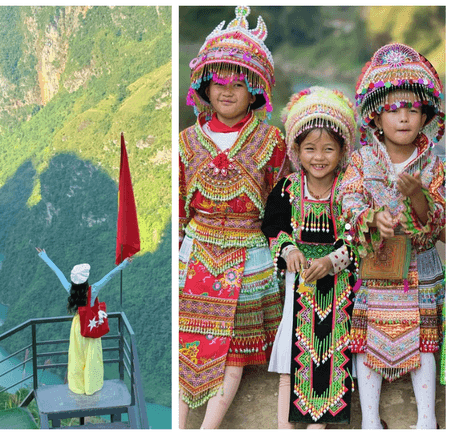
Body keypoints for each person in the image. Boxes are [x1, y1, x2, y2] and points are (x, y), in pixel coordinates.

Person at [178, 6, 288, 429]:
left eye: (238, 83)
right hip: (196, 254)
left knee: (234, 352)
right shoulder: (187, 141)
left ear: (255, 89)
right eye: (219, 82)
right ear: (204, 86)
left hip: (249, 257)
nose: (227, 91)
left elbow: (281, 204)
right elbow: (181, 204)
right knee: (188, 343)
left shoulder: (271, 141)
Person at [338, 42, 446, 429]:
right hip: (377, 266)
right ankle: (369, 421)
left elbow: (437, 220)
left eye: (413, 109)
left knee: (424, 341)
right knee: (367, 342)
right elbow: (347, 200)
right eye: (393, 109)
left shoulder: (433, 164)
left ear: (425, 115)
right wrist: (371, 218)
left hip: (421, 267)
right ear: (375, 117)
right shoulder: (362, 160)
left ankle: (426, 420)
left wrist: (417, 197)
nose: (403, 117)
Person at [262, 87, 358, 428]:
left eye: (328, 149)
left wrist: (332, 261)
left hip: (340, 291)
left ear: (343, 150)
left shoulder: (350, 189)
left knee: (331, 361)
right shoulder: (286, 189)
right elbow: (272, 226)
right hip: (298, 289)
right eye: (310, 149)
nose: (319, 157)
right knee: (291, 363)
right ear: (296, 150)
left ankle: (318, 426)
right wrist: (289, 250)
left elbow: (360, 237)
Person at [35, 247, 132, 395]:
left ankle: (77, 386)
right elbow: (109, 276)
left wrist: (44, 256)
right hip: (90, 326)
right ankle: (91, 386)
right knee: (92, 357)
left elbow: (58, 273)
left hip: (77, 327)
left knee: (77, 356)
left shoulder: (70, 289)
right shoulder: (93, 290)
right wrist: (125, 263)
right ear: (85, 279)